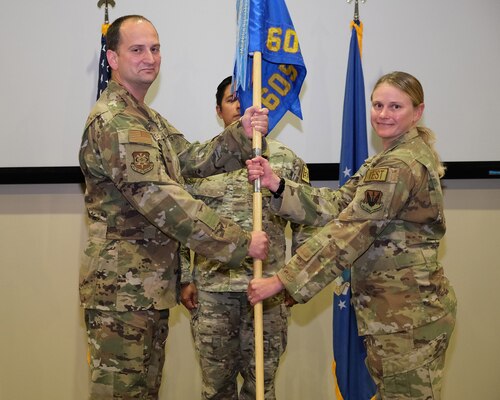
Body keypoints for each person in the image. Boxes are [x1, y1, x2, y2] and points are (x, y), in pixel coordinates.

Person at [79, 15, 270, 399]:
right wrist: (237, 242)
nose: (149, 57)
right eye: (137, 49)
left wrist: (239, 134)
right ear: (112, 58)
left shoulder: (144, 117)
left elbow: (189, 158)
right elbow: (164, 199)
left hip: (146, 289)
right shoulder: (118, 121)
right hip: (123, 294)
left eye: (155, 48)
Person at [246, 71, 457, 399]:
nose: (383, 114)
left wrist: (282, 280)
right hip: (394, 315)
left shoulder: (400, 165)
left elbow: (351, 231)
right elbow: (340, 204)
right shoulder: (386, 159)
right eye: (377, 105)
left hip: (407, 320)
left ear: (417, 111)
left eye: (395, 107)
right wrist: (279, 185)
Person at [180, 76, 312, 400]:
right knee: (216, 390)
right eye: (231, 99)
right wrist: (183, 277)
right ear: (218, 110)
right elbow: (180, 224)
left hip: (268, 293)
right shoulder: (199, 164)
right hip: (213, 294)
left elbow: (308, 223)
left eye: (248, 98)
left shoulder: (287, 162)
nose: (240, 105)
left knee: (261, 391)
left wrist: (296, 280)